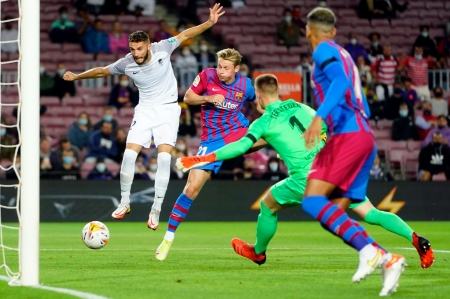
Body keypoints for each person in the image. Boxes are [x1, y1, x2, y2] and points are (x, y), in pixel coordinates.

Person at [176, 74, 432, 273]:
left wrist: (204, 157)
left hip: (308, 179)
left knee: (268, 205)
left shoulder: (263, 122)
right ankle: (416, 239)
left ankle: (258, 252)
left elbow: (242, 146)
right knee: (371, 213)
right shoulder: (302, 107)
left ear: (261, 98)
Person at [63, 3, 225, 229]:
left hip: (168, 109)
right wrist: (77, 76)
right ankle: (125, 202)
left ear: (148, 45)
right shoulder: (126, 63)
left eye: (139, 49)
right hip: (145, 110)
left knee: (164, 159)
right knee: (129, 156)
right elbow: (101, 71)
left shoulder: (163, 48)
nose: (136, 53)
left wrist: (209, 23)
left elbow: (186, 34)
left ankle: (156, 209)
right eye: (132, 49)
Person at [298, 8, 405, 295]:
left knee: (311, 202)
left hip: (348, 135)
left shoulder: (322, 50)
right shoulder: (345, 54)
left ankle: (373, 254)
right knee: (334, 212)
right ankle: (387, 258)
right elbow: (358, 96)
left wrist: (320, 115)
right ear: (333, 30)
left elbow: (340, 83)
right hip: (364, 136)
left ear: (309, 30)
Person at [155, 47, 264, 261]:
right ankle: (168, 237)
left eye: (225, 68)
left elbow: (259, 105)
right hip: (212, 140)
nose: (220, 71)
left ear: (236, 69)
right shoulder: (207, 76)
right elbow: (188, 97)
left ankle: (287, 150)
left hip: (238, 131)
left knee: (270, 134)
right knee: (191, 188)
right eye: (219, 66)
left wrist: (272, 112)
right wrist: (209, 97)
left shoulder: (245, 85)